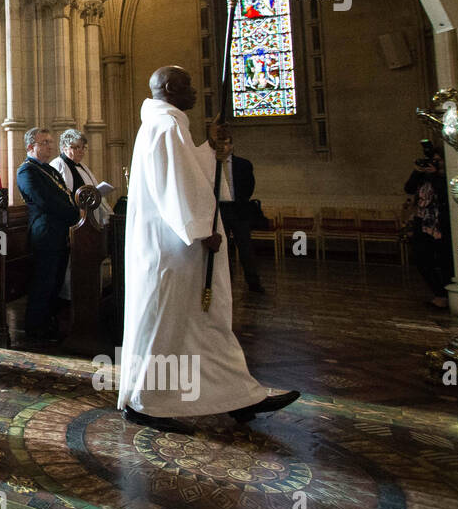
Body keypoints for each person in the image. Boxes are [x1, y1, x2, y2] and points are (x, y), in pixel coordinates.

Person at [119, 66, 298, 429]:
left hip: (174, 248)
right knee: (170, 327)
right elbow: (176, 185)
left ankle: (239, 396)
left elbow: (187, 170)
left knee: (206, 325)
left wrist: (210, 147)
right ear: (170, 88)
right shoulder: (167, 125)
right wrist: (202, 229)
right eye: (188, 85)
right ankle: (146, 403)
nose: (196, 92)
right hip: (174, 251)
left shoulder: (164, 124)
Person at [16, 127, 78, 345]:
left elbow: (64, 195)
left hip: (59, 231)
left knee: (56, 281)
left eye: (51, 142)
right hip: (45, 232)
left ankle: (49, 322)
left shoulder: (50, 170)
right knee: (44, 281)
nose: (50, 146)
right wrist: (73, 213)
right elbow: (45, 202)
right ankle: (35, 327)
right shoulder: (27, 171)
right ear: (31, 146)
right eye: (45, 142)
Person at [216, 134, 265, 294]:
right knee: (223, 251)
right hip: (220, 210)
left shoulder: (243, 164)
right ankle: (225, 285)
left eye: (227, 143)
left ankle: (253, 283)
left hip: (239, 210)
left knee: (245, 248)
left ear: (232, 146)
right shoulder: (213, 165)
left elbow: (249, 186)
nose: (223, 146)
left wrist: (239, 201)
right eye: (221, 143)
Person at [405, 150, 453, 309]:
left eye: (438, 160)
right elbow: (409, 188)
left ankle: (446, 296)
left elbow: (444, 194)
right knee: (420, 258)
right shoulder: (423, 177)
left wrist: (434, 175)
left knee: (444, 260)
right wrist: (417, 172)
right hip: (422, 221)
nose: (434, 163)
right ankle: (438, 293)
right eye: (432, 160)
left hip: (440, 224)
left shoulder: (446, 177)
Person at [51, 129, 113, 227]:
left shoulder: (82, 166)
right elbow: (59, 194)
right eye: (76, 148)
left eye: (83, 147)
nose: (81, 151)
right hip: (73, 218)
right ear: (64, 148)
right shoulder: (58, 165)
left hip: (89, 215)